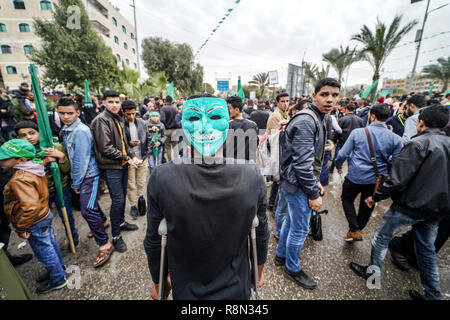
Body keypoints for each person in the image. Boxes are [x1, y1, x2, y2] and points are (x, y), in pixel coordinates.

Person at [144, 94, 269, 300]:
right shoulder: (251, 174)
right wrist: (257, 274)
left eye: (214, 117)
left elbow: (154, 241)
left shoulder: (162, 176)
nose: (203, 126)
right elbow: (261, 233)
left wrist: (160, 284)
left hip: (186, 291)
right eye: (193, 119)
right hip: (237, 289)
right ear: (183, 125)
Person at [350, 105, 450, 300]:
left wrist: (375, 196)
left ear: (421, 122)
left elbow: (397, 179)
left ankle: (373, 275)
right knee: (427, 249)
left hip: (411, 205)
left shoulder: (418, 144)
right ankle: (433, 295)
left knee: (380, 237)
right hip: (436, 209)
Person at [274, 78, 340, 290]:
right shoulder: (306, 120)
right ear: (314, 96)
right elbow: (302, 165)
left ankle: (281, 256)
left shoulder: (318, 117)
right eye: (325, 94)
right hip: (297, 183)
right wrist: (313, 194)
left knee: (290, 222)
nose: (330, 99)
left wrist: (315, 184)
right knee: (300, 229)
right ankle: (292, 268)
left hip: (296, 181)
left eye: (335, 95)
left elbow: (308, 161)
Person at [1, 139, 67, 294]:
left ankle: (58, 278)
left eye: (5, 158)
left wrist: (21, 227)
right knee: (50, 244)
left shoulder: (19, 179)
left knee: (44, 251)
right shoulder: (33, 166)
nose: (1, 161)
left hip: (35, 220)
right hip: (44, 214)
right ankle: (59, 269)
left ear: (21, 159)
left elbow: (30, 208)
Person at [57, 97, 113, 267]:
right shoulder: (66, 130)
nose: (66, 116)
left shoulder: (80, 131)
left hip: (89, 175)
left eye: (70, 113)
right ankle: (103, 221)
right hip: (81, 176)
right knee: (90, 205)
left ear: (78, 113)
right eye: (62, 113)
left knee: (87, 210)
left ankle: (104, 244)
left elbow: (81, 161)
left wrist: (76, 183)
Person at [335, 104, 402, 242]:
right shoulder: (396, 139)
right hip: (376, 180)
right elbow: (395, 162)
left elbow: (342, 154)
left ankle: (354, 229)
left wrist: (338, 164)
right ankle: (356, 230)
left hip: (355, 176)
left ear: (372, 116)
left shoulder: (358, 133)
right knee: (367, 205)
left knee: (347, 199)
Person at [14, 120, 80, 250]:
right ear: (17, 138)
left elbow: (66, 169)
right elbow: (23, 177)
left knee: (66, 215)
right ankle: (51, 245)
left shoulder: (54, 146)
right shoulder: (19, 155)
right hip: (38, 193)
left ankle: (72, 235)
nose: (28, 137)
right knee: (43, 220)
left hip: (61, 186)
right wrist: (44, 162)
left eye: (32, 133)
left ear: (39, 133)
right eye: (23, 135)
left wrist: (61, 157)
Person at [91, 90, 141, 253]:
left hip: (122, 164)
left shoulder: (117, 118)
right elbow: (105, 148)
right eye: (110, 102)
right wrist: (127, 158)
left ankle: (120, 223)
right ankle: (115, 236)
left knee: (122, 198)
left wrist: (131, 155)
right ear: (103, 102)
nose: (114, 105)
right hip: (111, 167)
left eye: (117, 102)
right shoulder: (101, 120)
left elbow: (124, 143)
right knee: (118, 200)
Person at [122, 100, 149, 220]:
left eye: (133, 113)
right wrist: (129, 143)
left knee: (141, 183)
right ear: (123, 113)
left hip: (142, 158)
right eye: (128, 114)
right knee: (131, 185)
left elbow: (148, 138)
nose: (131, 116)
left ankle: (141, 202)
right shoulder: (121, 125)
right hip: (130, 160)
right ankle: (133, 206)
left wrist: (147, 155)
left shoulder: (142, 123)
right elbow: (120, 143)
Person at [266, 93, 290, 212]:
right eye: (283, 101)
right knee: (278, 178)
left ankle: (271, 203)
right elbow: (276, 138)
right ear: (277, 102)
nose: (285, 104)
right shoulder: (276, 116)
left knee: (278, 179)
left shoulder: (285, 114)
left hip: (280, 151)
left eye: (287, 101)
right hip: (277, 151)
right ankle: (272, 205)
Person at [329, 104, 364, 174]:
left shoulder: (342, 119)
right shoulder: (360, 120)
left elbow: (337, 131)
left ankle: (332, 169)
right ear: (354, 110)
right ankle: (351, 172)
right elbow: (362, 131)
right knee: (351, 158)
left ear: (346, 110)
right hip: (354, 141)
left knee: (337, 156)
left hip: (343, 140)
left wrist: (334, 140)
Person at [226, 95, 258, 162]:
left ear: (237, 110)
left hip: (230, 166)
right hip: (247, 165)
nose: (227, 111)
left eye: (229, 108)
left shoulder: (227, 125)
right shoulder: (253, 125)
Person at [159, 96, 179, 162]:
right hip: (175, 130)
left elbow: (162, 119)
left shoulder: (163, 109)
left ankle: (170, 161)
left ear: (165, 101)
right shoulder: (175, 109)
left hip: (166, 130)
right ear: (171, 102)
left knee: (167, 147)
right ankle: (176, 161)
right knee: (175, 146)